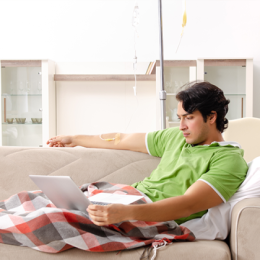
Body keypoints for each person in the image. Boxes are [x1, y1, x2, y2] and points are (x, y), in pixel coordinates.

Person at [47, 81, 248, 227]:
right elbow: (120, 139)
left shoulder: (229, 159)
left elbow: (189, 204)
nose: (181, 126)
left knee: (51, 220)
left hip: (147, 214)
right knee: (40, 202)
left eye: (189, 118)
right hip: (128, 197)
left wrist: (126, 213)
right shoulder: (176, 137)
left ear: (211, 117)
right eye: (179, 118)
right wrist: (74, 139)